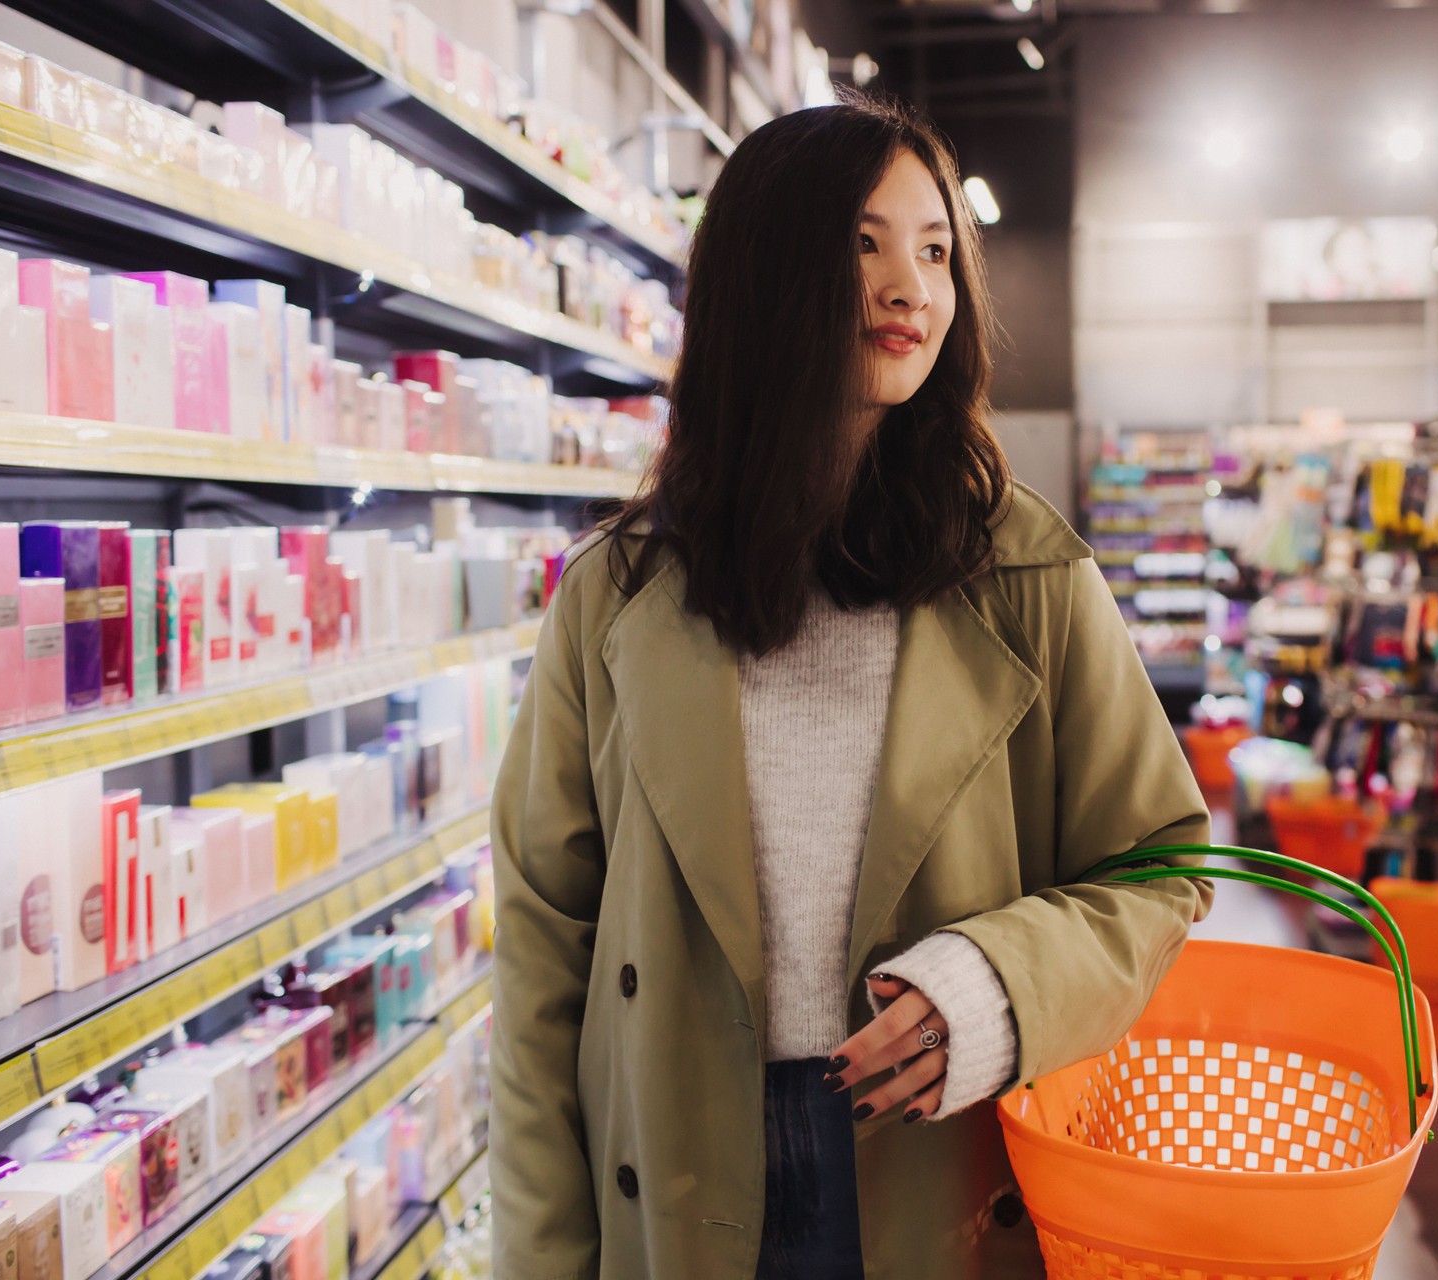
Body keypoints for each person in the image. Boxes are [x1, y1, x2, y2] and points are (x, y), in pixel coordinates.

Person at [490, 94, 1212, 1280]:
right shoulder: (614, 595)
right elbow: (543, 958)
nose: (909, 288)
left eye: (934, 251)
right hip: (675, 1165)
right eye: (863, 244)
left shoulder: (1027, 571)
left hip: (941, 1159)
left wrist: (997, 985)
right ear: (761, 275)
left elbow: (1161, 864)